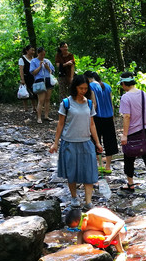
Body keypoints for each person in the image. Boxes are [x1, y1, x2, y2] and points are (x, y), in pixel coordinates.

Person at [50, 74, 103, 208]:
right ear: (75, 87)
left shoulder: (89, 103)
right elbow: (60, 124)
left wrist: (97, 142)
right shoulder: (66, 103)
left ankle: (88, 201)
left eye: (85, 88)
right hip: (69, 142)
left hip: (86, 142)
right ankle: (74, 197)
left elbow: (92, 124)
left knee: (89, 172)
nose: (83, 91)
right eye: (81, 88)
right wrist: (55, 142)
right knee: (71, 172)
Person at [118, 71, 146, 196]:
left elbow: (126, 116)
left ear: (124, 83)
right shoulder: (144, 95)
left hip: (132, 131)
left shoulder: (125, 97)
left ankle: (130, 184)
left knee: (129, 157)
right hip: (145, 130)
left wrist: (124, 135)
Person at [85, 70, 118, 174]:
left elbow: (94, 104)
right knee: (110, 142)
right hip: (109, 117)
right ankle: (108, 166)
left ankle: (100, 165)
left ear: (88, 78)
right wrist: (112, 116)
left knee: (96, 141)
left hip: (97, 117)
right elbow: (111, 104)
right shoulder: (107, 86)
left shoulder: (91, 86)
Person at [30, 47, 55, 123]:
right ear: (38, 53)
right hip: (39, 80)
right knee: (41, 100)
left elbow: (52, 71)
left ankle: (46, 116)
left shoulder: (47, 61)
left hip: (48, 80)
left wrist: (47, 67)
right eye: (41, 54)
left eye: (44, 54)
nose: (43, 56)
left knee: (47, 99)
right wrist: (40, 66)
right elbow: (33, 73)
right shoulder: (33, 61)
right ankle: (39, 117)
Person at [18, 45, 37, 116]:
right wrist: (22, 79)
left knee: (34, 92)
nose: (33, 52)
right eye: (31, 50)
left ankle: (34, 108)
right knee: (25, 93)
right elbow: (21, 70)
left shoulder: (34, 59)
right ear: (27, 51)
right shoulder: (22, 59)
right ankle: (26, 108)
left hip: (33, 78)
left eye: (34, 50)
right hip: (26, 77)